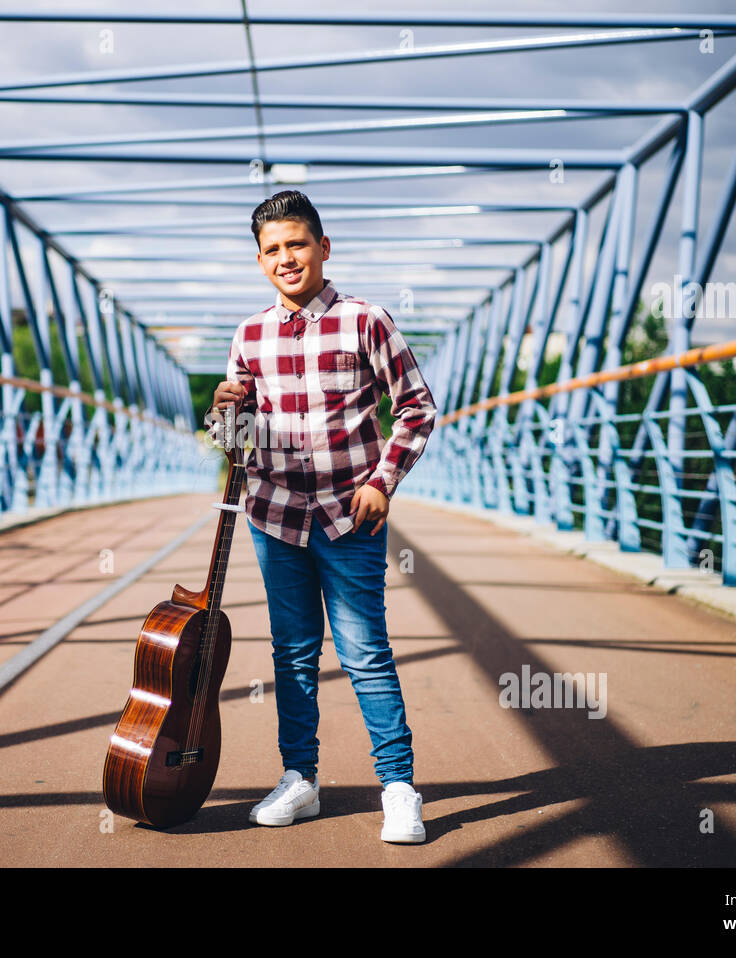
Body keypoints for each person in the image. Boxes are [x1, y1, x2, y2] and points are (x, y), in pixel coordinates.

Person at [208, 190, 438, 844]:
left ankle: (398, 788)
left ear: (323, 247)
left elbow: (416, 408)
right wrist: (223, 407)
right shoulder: (248, 335)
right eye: (273, 250)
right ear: (260, 261)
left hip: (350, 515)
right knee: (293, 654)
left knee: (365, 652)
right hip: (274, 517)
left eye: (297, 244)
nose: (287, 258)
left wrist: (383, 481)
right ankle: (300, 780)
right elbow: (234, 442)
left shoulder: (366, 321)